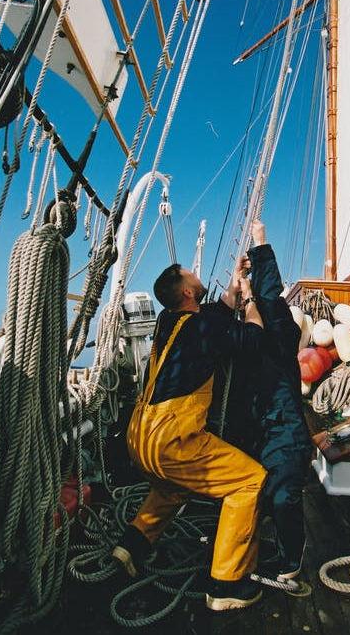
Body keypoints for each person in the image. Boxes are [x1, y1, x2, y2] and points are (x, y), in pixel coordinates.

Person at [113, 262, 268, 611]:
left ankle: (132, 545)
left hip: (140, 437)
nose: (197, 278)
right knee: (249, 482)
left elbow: (216, 312)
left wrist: (235, 284)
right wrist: (253, 301)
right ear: (186, 291)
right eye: (191, 276)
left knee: (174, 485)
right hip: (173, 438)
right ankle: (227, 583)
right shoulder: (203, 325)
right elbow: (253, 339)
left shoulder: (170, 321)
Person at [247, 220, 312, 585]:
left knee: (284, 493)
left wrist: (260, 245)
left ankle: (290, 561)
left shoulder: (277, 337)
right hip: (262, 425)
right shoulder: (245, 334)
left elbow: (270, 297)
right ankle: (273, 547)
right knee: (267, 491)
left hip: (283, 425)